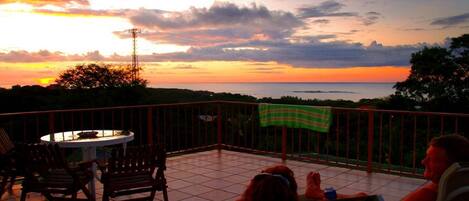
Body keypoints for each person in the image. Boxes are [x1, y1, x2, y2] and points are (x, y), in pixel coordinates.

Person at [402, 134, 469, 201]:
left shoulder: (427, 194)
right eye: (426, 157)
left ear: (451, 166)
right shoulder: (458, 187)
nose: (423, 161)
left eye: (431, 159)